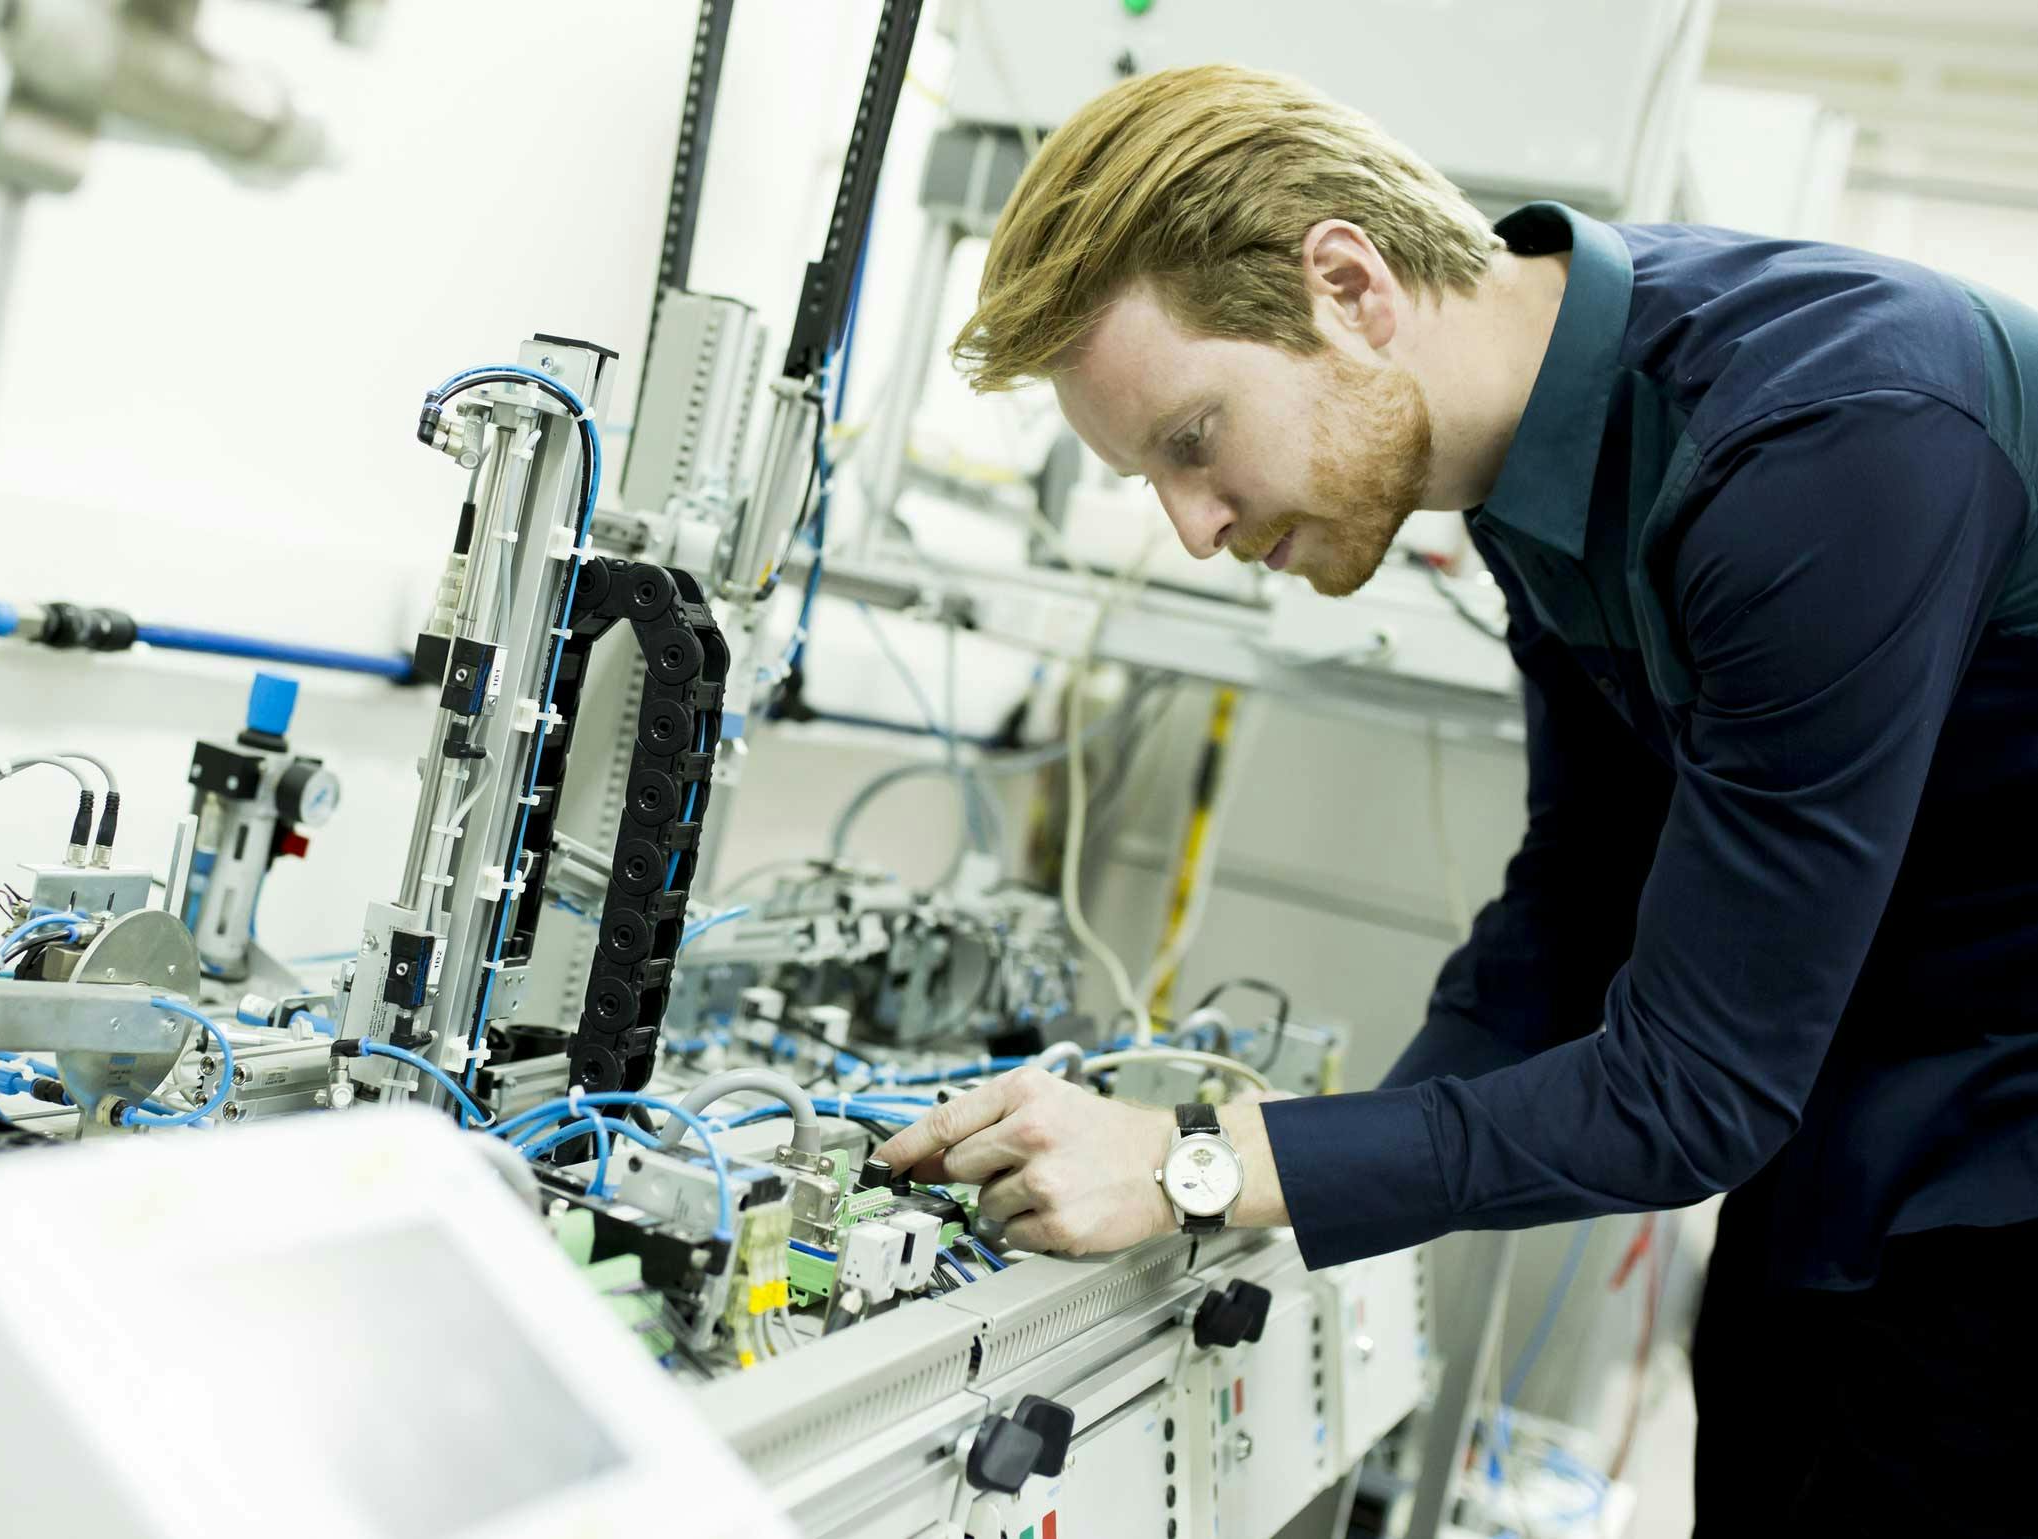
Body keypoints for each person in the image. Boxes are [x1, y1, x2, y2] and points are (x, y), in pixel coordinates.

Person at [868, 64, 2038, 1535]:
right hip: (1859, 1137)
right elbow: (1579, 886)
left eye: (1191, 441)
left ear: (1349, 287)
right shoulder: (1530, 463)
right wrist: (1295, 1165)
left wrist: (1202, 1168)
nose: (1195, 528)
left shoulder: (1822, 442)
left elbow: (1691, 1095)